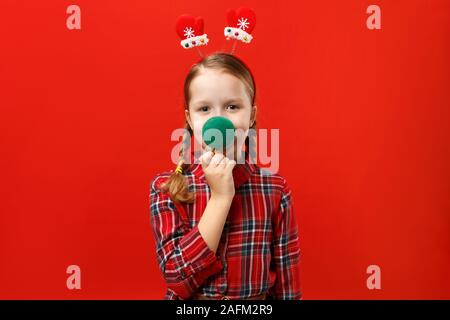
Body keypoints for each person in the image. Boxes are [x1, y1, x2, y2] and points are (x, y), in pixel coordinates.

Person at [149, 52, 302, 300]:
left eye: (232, 106)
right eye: (204, 108)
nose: (218, 120)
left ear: (251, 115)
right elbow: (177, 279)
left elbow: (288, 287)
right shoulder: (166, 188)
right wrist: (220, 198)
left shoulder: (275, 190)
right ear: (189, 118)